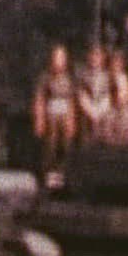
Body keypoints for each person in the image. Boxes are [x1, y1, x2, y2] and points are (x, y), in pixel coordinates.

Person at [32, 45, 78, 183]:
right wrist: (39, 119)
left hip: (66, 114)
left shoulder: (71, 78)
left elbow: (72, 100)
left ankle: (64, 172)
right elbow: (39, 99)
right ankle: (48, 172)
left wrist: (72, 119)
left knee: (66, 143)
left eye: (62, 57)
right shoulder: (45, 77)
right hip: (50, 114)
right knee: (50, 142)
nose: (59, 61)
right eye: (57, 57)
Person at [76, 45, 114, 145]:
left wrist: (100, 110)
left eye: (98, 56)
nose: (95, 59)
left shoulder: (108, 76)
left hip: (104, 109)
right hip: (87, 110)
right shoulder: (82, 75)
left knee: (109, 120)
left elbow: (109, 95)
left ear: (103, 58)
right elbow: (81, 94)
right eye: (92, 55)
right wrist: (91, 111)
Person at [104, 51, 128, 145]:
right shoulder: (106, 77)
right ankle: (110, 144)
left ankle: (126, 143)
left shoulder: (125, 78)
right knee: (109, 118)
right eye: (114, 63)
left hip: (124, 106)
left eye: (119, 63)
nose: (116, 65)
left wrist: (124, 102)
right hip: (109, 106)